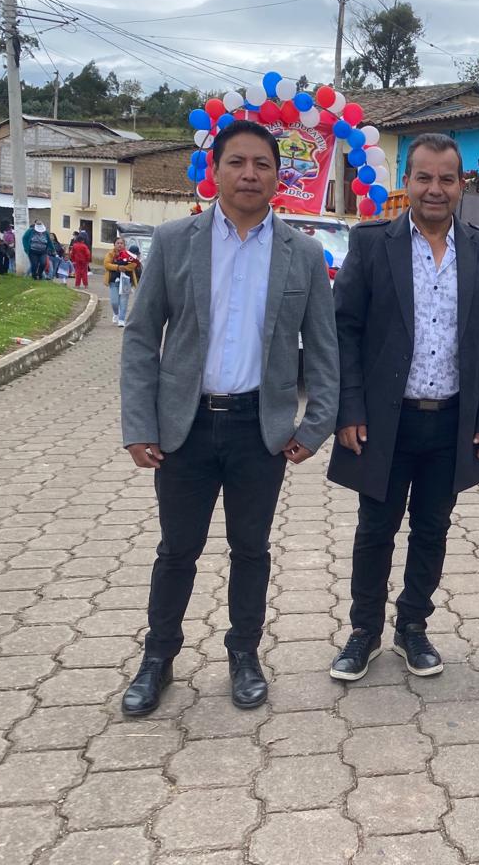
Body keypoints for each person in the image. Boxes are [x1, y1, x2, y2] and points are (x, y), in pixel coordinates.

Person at [119, 119, 339, 716]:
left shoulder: (303, 253)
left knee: (251, 550)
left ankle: (244, 654)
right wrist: (138, 425)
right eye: (236, 162)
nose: (249, 174)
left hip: (259, 431)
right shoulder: (174, 241)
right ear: (214, 171)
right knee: (176, 551)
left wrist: (315, 425)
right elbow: (141, 336)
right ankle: (158, 658)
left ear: (278, 178)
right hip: (183, 428)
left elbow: (325, 349)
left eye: (262, 164)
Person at [328, 132, 479, 682]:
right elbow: (345, 331)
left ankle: (413, 626)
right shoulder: (372, 244)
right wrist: (348, 408)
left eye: (446, 179)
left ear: (461, 185)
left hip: (452, 420)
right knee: (375, 530)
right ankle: (363, 631)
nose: (435, 189)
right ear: (406, 182)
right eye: (424, 177)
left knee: (433, 529)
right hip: (385, 420)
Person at [103, 237, 138, 326]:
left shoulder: (129, 254)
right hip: (113, 281)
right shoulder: (110, 254)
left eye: (121, 243)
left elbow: (134, 264)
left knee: (124, 301)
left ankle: (121, 319)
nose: (119, 245)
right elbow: (106, 265)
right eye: (118, 243)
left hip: (126, 281)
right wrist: (117, 267)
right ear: (114, 244)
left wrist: (125, 268)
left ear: (124, 245)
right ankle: (116, 313)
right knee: (114, 302)